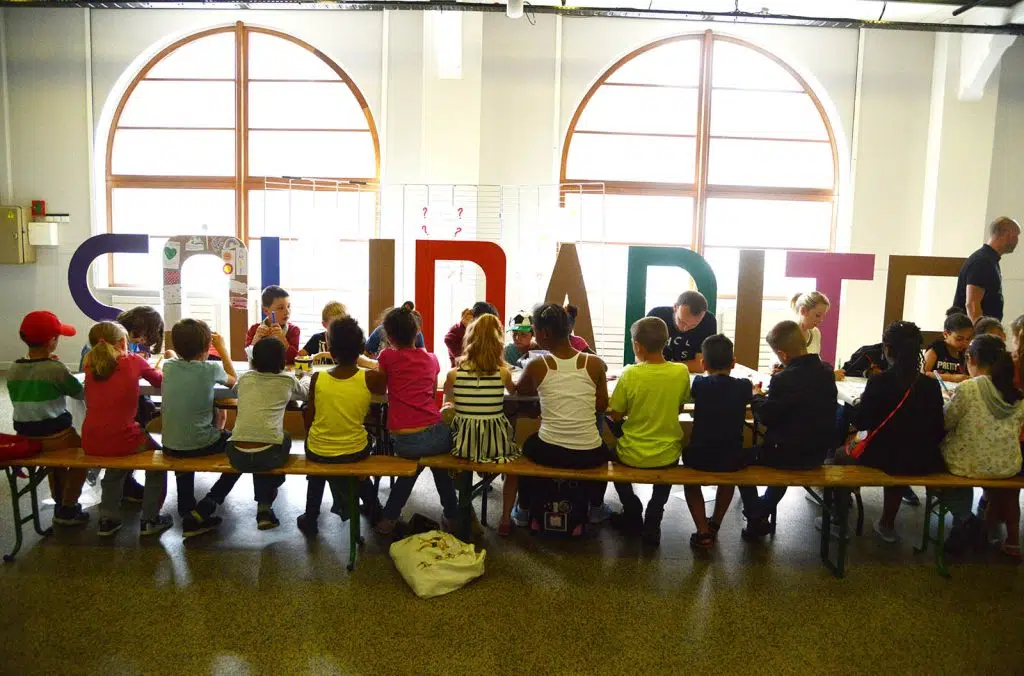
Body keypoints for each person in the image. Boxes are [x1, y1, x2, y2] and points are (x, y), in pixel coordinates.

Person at [737, 320, 838, 539]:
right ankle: (759, 515)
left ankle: (756, 513)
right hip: (818, 453)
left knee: (737, 461)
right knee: (782, 459)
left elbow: (767, 417)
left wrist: (756, 396)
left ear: (782, 354)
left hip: (785, 453)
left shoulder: (783, 379)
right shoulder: (826, 371)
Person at [516, 304, 610, 526]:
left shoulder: (536, 365)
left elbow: (522, 392)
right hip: (589, 453)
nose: (534, 336)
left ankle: (523, 510)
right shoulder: (595, 363)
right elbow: (602, 405)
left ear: (545, 333)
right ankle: (596, 508)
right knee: (604, 450)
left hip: (550, 450)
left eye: (535, 331)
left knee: (525, 449)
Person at [851, 321, 945, 543]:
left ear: (886, 348)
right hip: (923, 459)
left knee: (838, 456)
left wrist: (860, 404)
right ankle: (887, 523)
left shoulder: (879, 381)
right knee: (902, 453)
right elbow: (938, 427)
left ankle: (837, 520)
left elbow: (862, 422)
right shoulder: (930, 385)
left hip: (883, 456)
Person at [374, 305, 460, 535]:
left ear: (389, 336)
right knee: (441, 466)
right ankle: (453, 517)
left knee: (412, 469)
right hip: (435, 435)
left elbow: (380, 387)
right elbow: (431, 395)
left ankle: (388, 520)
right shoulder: (432, 359)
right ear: (417, 332)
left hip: (404, 440)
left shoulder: (386, 356)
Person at [81, 321, 171, 538]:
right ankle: (150, 518)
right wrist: (160, 367)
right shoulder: (133, 361)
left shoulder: (90, 365)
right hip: (123, 438)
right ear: (123, 342)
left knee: (116, 462)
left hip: (90, 439)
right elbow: (159, 381)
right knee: (159, 460)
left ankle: (107, 518)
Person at [298, 317, 386, 536]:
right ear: (361, 348)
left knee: (317, 471)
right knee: (361, 460)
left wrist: (315, 438)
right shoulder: (370, 379)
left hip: (319, 450)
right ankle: (374, 509)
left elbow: (309, 418)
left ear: (330, 349)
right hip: (354, 451)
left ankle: (311, 517)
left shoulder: (318, 378)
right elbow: (383, 382)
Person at [606, 317, 689, 547]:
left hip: (631, 454)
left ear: (637, 346)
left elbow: (616, 414)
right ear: (666, 342)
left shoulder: (630, 374)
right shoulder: (680, 371)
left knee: (611, 456)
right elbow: (681, 406)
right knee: (669, 462)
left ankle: (631, 508)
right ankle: (655, 512)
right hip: (667, 454)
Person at [940, 335, 1024, 560]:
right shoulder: (1016, 393)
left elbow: (946, 422)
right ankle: (975, 522)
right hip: (1007, 466)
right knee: (975, 460)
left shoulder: (968, 388)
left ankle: (965, 520)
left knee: (945, 461)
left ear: (972, 359)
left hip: (966, 464)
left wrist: (950, 401)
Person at [160, 319, 240, 538]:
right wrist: (222, 350)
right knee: (243, 451)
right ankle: (209, 503)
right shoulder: (211, 369)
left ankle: (187, 510)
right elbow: (235, 381)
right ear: (207, 347)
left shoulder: (169, 366)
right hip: (200, 442)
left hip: (169, 444)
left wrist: (171, 353)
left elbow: (169, 356)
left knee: (185, 441)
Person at [8, 311, 88, 526]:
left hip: (24, 437)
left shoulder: (13, 368)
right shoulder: (55, 368)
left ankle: (59, 502)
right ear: (52, 341)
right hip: (57, 436)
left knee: (56, 464)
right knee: (87, 455)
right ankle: (69, 505)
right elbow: (79, 393)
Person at [443, 314, 521, 535]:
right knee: (515, 468)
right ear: (498, 344)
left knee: (455, 461)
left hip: (463, 446)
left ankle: (463, 510)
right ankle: (505, 519)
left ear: (469, 340)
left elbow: (447, 407)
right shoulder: (503, 373)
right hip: (496, 446)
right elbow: (515, 394)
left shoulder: (453, 374)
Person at [682, 334, 756, 549]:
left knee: (690, 481)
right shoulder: (744, 386)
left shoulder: (699, 383)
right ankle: (715, 523)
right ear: (733, 363)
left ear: (703, 363)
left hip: (699, 456)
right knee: (728, 478)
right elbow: (750, 396)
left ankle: (702, 531)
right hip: (732, 457)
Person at [227, 338, 308, 530]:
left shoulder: (245, 378)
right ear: (282, 361)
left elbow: (235, 391)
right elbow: (305, 393)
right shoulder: (287, 379)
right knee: (280, 437)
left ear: (254, 360)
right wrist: (304, 376)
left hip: (235, 453)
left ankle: (263, 509)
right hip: (269, 454)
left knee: (260, 440)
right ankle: (264, 507)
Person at [953, 216, 1020, 323]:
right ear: (1007, 234)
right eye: (1016, 236)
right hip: (972, 331)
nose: (1017, 241)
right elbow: (972, 305)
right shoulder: (982, 262)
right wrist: (980, 332)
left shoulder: (989, 260)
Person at [646, 291, 716, 373]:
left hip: (688, 375)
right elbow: (642, 357)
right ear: (675, 307)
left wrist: (662, 366)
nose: (685, 328)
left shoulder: (708, 321)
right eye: (682, 321)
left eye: (693, 325)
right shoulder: (656, 316)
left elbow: (701, 366)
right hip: (655, 373)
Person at [245, 285, 301, 365]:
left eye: (288, 306)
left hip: (283, 371)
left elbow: (294, 359)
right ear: (266, 310)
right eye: (280, 308)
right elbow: (249, 358)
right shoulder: (254, 330)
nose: (287, 312)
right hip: (260, 371)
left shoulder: (293, 330)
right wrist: (255, 340)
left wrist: (283, 339)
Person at [443, 301, 499, 367]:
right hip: (464, 371)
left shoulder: (491, 333)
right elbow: (467, 361)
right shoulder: (456, 334)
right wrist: (468, 328)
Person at [923, 311, 973, 383]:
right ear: (946, 334)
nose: (965, 343)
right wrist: (952, 378)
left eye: (968, 339)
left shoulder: (967, 353)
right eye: (959, 339)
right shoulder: (936, 349)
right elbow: (923, 374)